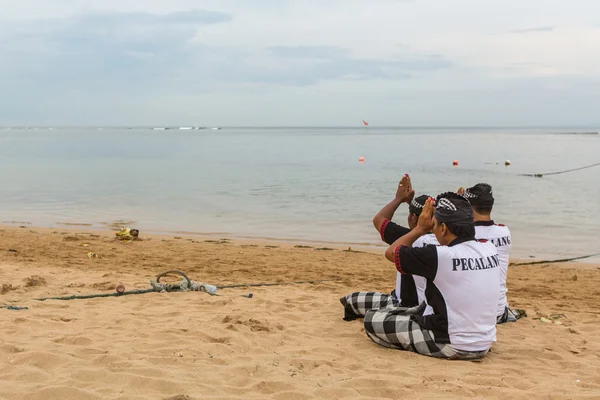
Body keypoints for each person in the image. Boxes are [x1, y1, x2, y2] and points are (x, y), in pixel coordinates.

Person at [363, 192, 500, 360]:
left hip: (450, 344)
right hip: (484, 343)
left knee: (372, 319)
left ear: (443, 228)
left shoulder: (440, 256)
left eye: (434, 225)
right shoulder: (489, 249)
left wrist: (421, 229)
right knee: (416, 312)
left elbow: (391, 252)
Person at [340, 175, 438, 321]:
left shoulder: (405, 238)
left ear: (412, 217)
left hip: (406, 305)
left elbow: (379, 220)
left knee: (351, 300)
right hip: (433, 307)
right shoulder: (445, 243)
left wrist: (398, 199)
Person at [459, 183, 521, 323]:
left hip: (471, 313)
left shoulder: (464, 235)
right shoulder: (504, 232)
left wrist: (457, 208)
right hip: (498, 311)